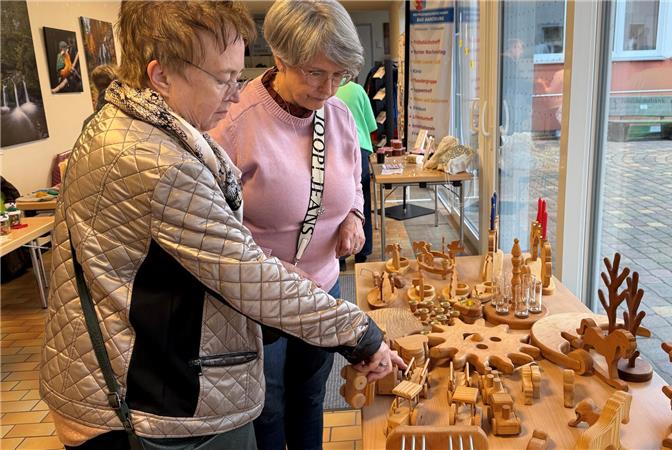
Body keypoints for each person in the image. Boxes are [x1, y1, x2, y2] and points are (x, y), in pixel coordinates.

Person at [40, 2, 402, 449]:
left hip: (150, 371)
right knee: (270, 411)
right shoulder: (162, 163)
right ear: (161, 76)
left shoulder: (124, 125)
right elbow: (246, 274)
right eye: (224, 79)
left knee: (303, 401)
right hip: (148, 395)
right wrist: (362, 335)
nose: (236, 94)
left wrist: (353, 216)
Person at [208, 2, 369, 449]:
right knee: (269, 405)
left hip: (323, 289)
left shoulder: (338, 114)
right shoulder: (234, 122)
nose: (330, 88)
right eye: (317, 73)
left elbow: (352, 180)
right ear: (280, 59)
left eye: (340, 75)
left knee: (311, 396)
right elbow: (215, 226)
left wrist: (354, 215)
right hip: (262, 305)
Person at [336, 81, 377, 264]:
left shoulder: (323, 89)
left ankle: (341, 256)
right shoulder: (358, 90)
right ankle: (363, 252)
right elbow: (370, 125)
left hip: (335, 148)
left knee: (339, 202)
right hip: (360, 148)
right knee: (363, 201)